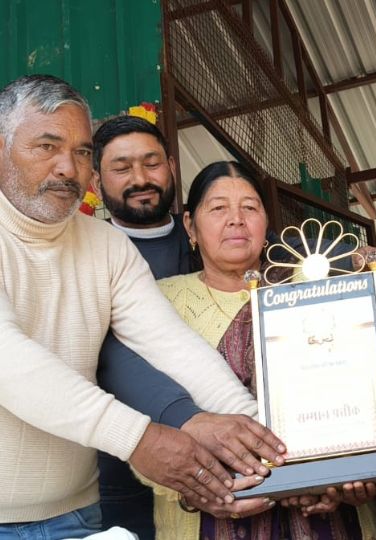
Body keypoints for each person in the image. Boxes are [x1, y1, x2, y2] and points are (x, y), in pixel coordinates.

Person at [0, 74, 285, 538]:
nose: (67, 168)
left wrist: (266, 441)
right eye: (47, 147)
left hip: (77, 516)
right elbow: (10, 363)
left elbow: (171, 344)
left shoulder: (107, 245)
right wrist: (140, 438)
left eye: (81, 151)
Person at [148, 160, 376, 539]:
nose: (236, 220)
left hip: (330, 518)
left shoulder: (316, 288)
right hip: (209, 520)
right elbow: (141, 417)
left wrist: (359, 469)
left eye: (250, 207)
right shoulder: (159, 301)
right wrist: (194, 487)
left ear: (265, 221)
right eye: (218, 208)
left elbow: (358, 388)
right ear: (190, 225)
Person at [93, 116, 272, 539]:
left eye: (151, 162)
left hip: (265, 469)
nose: (140, 178)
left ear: (172, 166)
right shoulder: (88, 255)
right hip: (123, 467)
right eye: (121, 168)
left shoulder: (219, 242)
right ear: (95, 182)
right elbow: (110, 360)